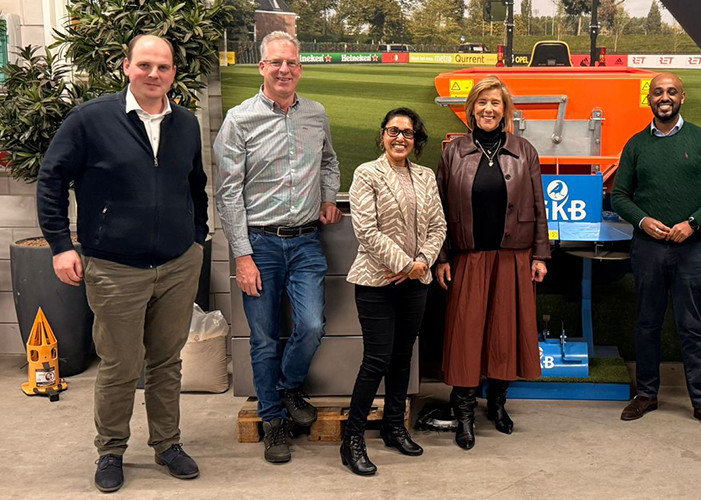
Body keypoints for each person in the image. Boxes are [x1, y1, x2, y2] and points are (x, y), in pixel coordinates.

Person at [37, 34, 208, 492]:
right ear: (126, 66)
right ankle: (111, 450)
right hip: (113, 267)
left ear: (174, 72)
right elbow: (51, 180)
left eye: (164, 67)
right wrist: (60, 244)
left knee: (167, 361)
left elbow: (196, 186)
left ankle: (167, 443)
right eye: (145, 65)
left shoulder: (186, 123)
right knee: (120, 364)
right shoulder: (89, 120)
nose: (155, 75)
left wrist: (196, 239)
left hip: (177, 263)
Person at [214, 31, 341, 464]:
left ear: (299, 68)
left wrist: (327, 195)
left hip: (306, 240)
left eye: (291, 62)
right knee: (264, 338)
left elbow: (329, 160)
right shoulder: (239, 119)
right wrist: (242, 255)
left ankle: (288, 387)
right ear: (261, 67)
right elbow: (227, 193)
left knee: (310, 325)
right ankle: (273, 422)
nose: (284, 69)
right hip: (261, 245)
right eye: (276, 62)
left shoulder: (317, 114)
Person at [611, 72, 701, 434]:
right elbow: (619, 196)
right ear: (649, 99)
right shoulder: (635, 145)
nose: (664, 97)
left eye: (672, 92)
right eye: (658, 92)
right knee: (647, 324)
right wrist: (643, 220)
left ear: (683, 97)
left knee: (692, 327)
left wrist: (692, 223)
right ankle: (647, 394)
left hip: (692, 250)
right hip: (647, 250)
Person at [436, 75, 550, 450]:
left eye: (495, 103)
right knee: (466, 337)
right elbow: (436, 211)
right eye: (482, 102)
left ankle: (497, 404)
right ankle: (464, 413)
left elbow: (538, 205)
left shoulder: (524, 150)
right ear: (471, 108)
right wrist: (441, 256)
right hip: (469, 257)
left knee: (505, 335)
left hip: (513, 258)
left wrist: (540, 254)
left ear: (505, 110)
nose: (488, 109)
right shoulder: (453, 151)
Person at [341, 108, 447, 475]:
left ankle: (393, 428)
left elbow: (439, 226)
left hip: (415, 282)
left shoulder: (426, 176)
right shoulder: (366, 174)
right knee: (377, 360)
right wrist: (406, 265)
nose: (400, 138)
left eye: (407, 132)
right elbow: (366, 231)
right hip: (377, 281)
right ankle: (351, 439)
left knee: (403, 357)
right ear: (382, 135)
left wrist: (420, 264)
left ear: (416, 140)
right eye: (393, 131)